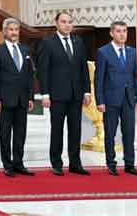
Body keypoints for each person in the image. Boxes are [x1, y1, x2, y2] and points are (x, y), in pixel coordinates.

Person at [37, 11, 91, 176]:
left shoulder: (78, 41)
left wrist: (87, 91)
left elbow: (83, 68)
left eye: (69, 22)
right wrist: (45, 94)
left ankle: (75, 163)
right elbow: (43, 70)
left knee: (75, 130)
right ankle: (57, 163)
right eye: (64, 22)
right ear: (56, 23)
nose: (67, 25)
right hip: (57, 95)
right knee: (57, 130)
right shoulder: (48, 43)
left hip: (76, 95)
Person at [95, 21, 137, 176]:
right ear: (111, 33)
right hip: (110, 100)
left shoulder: (132, 52)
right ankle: (111, 163)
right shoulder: (103, 52)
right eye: (118, 31)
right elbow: (99, 79)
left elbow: (136, 77)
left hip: (128, 99)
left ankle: (130, 164)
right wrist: (100, 100)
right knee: (110, 133)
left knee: (129, 132)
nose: (122, 34)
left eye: (125, 31)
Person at [0, 18, 35, 177]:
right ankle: (7, 164)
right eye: (11, 30)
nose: (14, 32)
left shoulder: (25, 50)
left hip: (22, 99)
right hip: (5, 99)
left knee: (21, 133)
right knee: (5, 133)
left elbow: (29, 75)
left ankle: (18, 163)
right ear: (4, 32)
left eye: (16, 30)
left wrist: (30, 97)